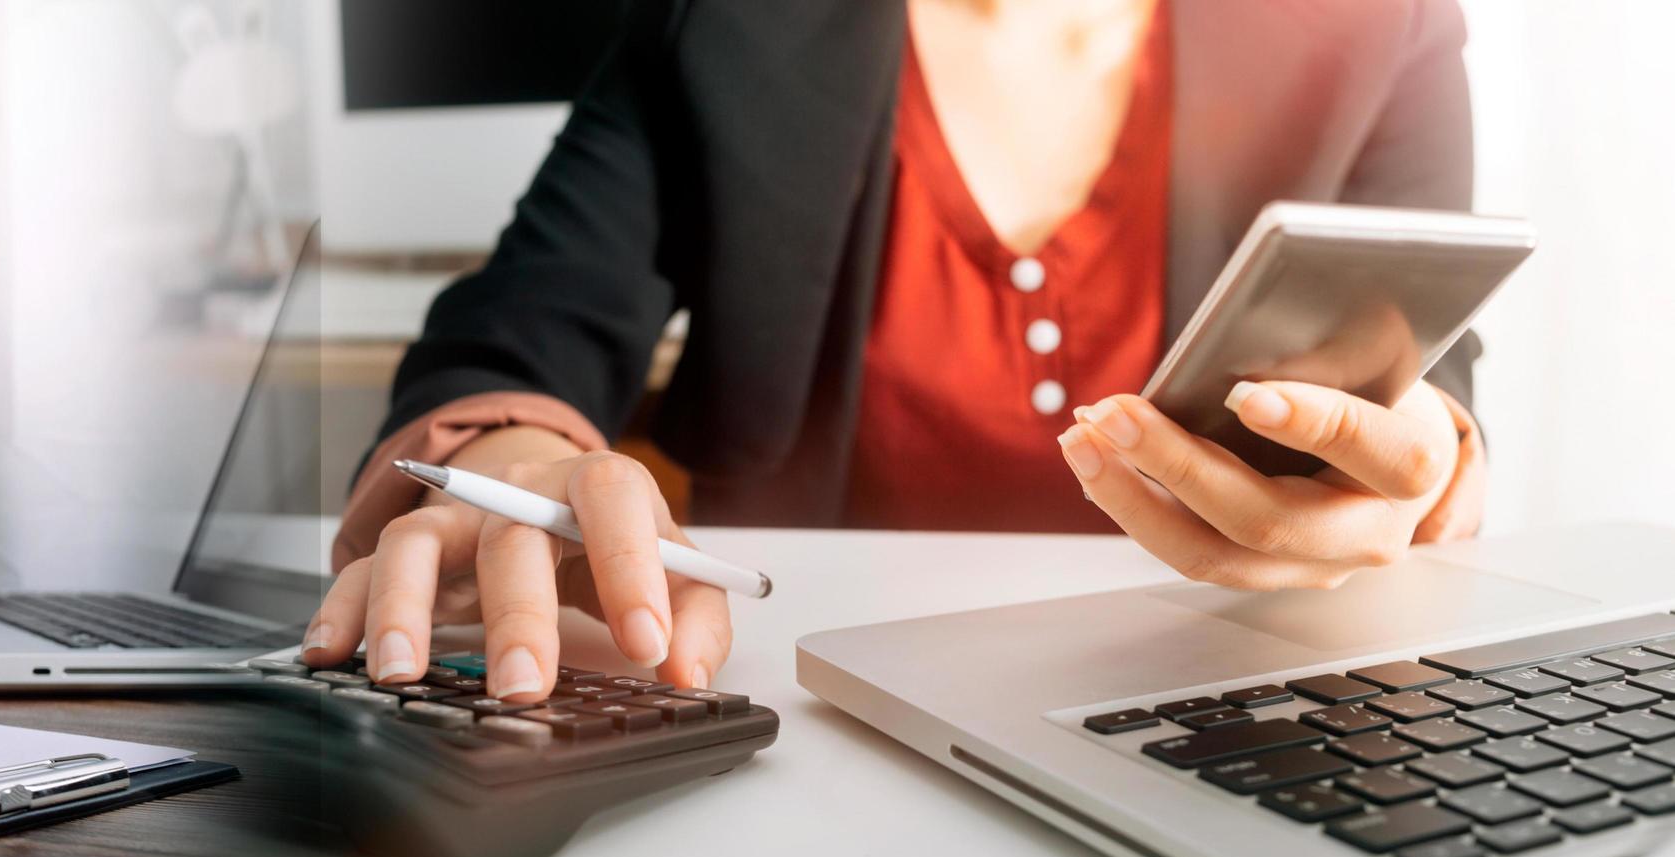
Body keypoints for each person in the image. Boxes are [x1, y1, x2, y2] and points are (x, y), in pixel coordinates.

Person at [303, 0, 1489, 701]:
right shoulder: (725, 22)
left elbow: (1426, 370)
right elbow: (520, 327)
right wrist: (520, 464)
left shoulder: (1374, 23)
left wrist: (1422, 455)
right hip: (819, 706)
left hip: (1240, 693)